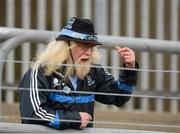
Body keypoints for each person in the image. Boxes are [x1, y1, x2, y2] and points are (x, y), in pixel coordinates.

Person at [19, 17, 138, 130]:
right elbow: (32, 114)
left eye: (92, 47)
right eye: (84, 46)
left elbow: (119, 97)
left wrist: (129, 68)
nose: (90, 52)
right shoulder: (40, 71)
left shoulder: (93, 71)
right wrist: (74, 119)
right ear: (67, 46)